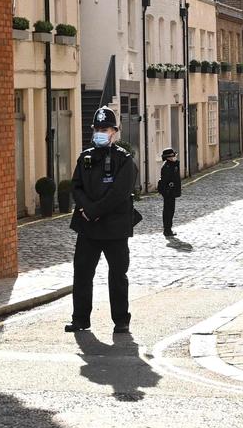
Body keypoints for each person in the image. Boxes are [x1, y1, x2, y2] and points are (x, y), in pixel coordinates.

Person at [65, 105, 139, 335]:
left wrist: (94, 210)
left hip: (114, 229)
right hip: (88, 228)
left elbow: (119, 193)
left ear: (114, 132)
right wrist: (87, 209)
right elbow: (76, 186)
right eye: (97, 128)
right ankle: (80, 319)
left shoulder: (124, 160)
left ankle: (120, 320)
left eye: (105, 128)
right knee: (82, 273)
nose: (100, 132)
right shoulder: (85, 157)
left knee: (117, 275)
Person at [157, 147, 182, 237]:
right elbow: (166, 181)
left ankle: (168, 229)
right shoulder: (167, 166)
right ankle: (167, 230)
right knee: (168, 211)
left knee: (170, 210)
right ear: (168, 157)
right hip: (168, 192)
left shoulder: (171, 165)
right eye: (173, 156)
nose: (175, 157)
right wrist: (168, 191)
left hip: (170, 192)